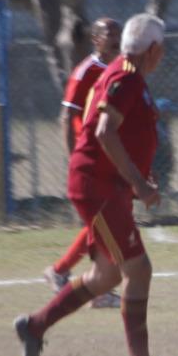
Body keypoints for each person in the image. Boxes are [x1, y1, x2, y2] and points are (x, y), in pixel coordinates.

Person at [14, 13, 178, 356]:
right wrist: (138, 182)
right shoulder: (125, 77)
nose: (163, 54)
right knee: (138, 269)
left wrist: (139, 175)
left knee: (105, 276)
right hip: (99, 187)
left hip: (106, 186)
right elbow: (106, 133)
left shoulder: (126, 74)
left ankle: (34, 326)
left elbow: (123, 134)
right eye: (162, 48)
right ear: (152, 49)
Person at [43, 16, 122, 309]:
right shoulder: (85, 71)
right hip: (89, 158)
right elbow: (67, 117)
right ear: (95, 40)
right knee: (106, 222)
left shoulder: (122, 67)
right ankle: (94, 287)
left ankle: (63, 272)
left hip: (110, 157)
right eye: (109, 34)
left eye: (119, 33)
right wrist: (73, 157)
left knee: (105, 221)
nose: (116, 38)